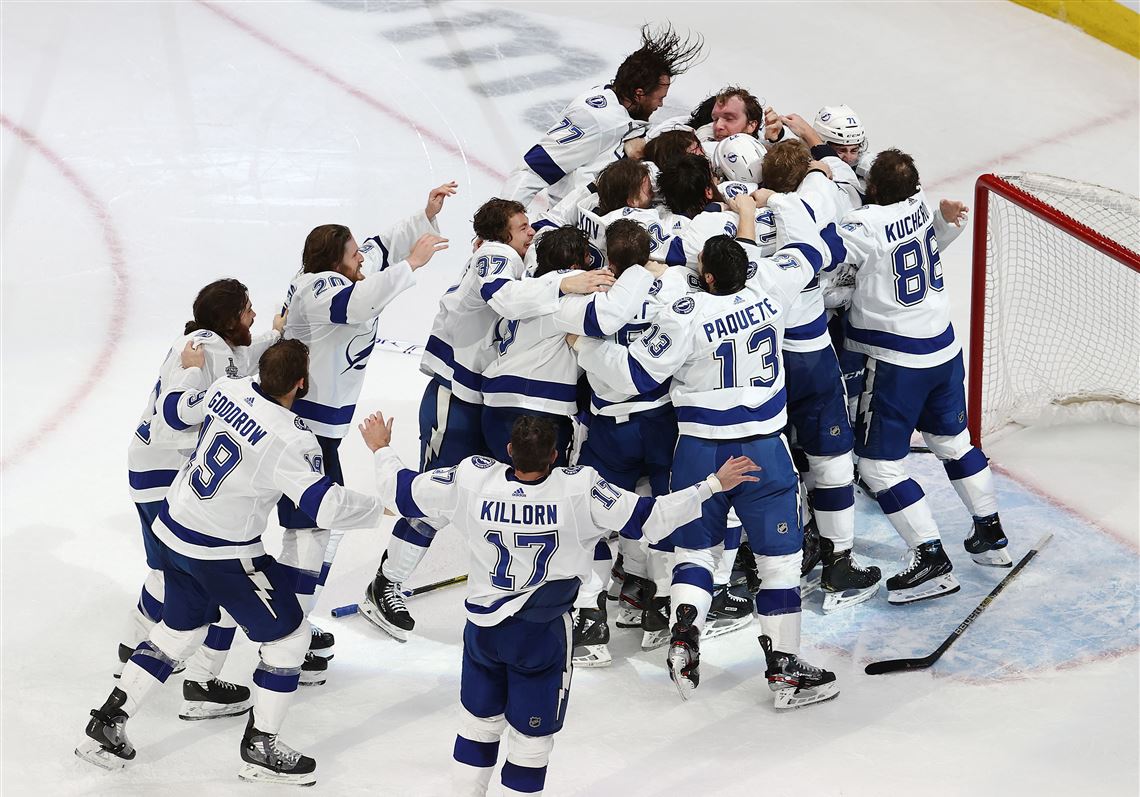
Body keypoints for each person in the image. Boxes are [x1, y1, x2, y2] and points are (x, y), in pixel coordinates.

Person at [365, 411, 759, 796]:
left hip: (482, 634)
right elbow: (651, 518)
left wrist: (382, 448)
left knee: (477, 727)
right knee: (531, 742)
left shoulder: (472, 477)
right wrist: (710, 485)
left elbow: (400, 491)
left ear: (508, 450)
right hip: (541, 636)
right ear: (555, 455)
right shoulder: (579, 488)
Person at [77, 340, 391, 785]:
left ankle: (109, 720)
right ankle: (261, 747)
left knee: (177, 630)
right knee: (290, 638)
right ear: (302, 384)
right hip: (221, 553)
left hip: (174, 530)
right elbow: (325, 507)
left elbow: (171, 411)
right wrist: (380, 508)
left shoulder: (228, 387)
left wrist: (189, 372)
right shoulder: (292, 438)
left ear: (261, 372)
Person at [575, 191, 840, 708]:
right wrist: (776, 201)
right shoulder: (770, 287)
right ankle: (784, 670)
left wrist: (584, 345)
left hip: (699, 453)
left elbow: (632, 375)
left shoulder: (685, 313)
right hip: (764, 452)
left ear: (708, 277)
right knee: (779, 565)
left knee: (695, 554)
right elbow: (814, 249)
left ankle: (683, 635)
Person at [360, 198, 614, 641]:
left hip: (481, 396)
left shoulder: (508, 256)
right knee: (435, 495)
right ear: (502, 233)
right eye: (522, 226)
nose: (530, 232)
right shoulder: (495, 255)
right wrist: (569, 282)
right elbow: (508, 299)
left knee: (484, 491)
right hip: (456, 394)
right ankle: (386, 583)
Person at [275, 183, 452, 671]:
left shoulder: (340, 269)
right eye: (352, 256)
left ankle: (292, 618)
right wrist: (411, 265)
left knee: (318, 529)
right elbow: (356, 303)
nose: (361, 259)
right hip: (304, 429)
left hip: (317, 427)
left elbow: (376, 248)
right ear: (335, 263)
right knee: (314, 530)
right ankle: (289, 629)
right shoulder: (321, 287)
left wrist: (424, 213)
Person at [834, 149, 1012, 604]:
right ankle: (989, 532)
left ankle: (930, 557)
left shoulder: (863, 223)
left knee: (877, 468)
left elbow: (824, 256)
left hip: (896, 360)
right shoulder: (919, 204)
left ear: (872, 190)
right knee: (954, 444)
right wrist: (942, 220)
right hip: (944, 349)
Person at [121, 278, 283, 718]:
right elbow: (176, 415)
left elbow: (240, 360)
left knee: (166, 567)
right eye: (248, 309)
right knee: (174, 572)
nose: (253, 313)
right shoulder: (205, 349)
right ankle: (142, 650)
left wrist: (274, 333)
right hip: (162, 470)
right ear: (229, 319)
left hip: (156, 466)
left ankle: (134, 645)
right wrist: (196, 377)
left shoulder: (213, 343)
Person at [753, 142, 882, 612]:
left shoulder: (735, 223)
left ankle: (766, 558)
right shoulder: (801, 215)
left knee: (776, 462)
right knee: (831, 460)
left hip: (760, 365)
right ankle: (838, 563)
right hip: (808, 357)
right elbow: (830, 255)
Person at [573, 219, 691, 659]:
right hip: (661, 421)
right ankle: (659, 604)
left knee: (597, 520)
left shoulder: (593, 295)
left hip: (609, 428)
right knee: (662, 512)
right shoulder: (673, 288)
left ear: (610, 256)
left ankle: (591, 618)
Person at [501, 24, 704, 207]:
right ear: (639, 94)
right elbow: (533, 171)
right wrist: (498, 229)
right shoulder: (594, 118)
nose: (661, 104)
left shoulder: (619, 107)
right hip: (572, 226)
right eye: (658, 98)